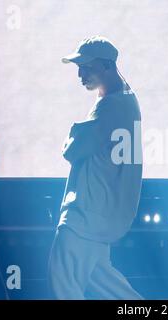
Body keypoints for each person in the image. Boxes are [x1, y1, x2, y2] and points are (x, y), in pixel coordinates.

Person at [48, 36, 144, 300]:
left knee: (64, 287)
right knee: (112, 290)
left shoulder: (110, 105)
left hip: (84, 216)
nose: (80, 74)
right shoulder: (127, 101)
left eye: (85, 67)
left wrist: (74, 131)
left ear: (105, 66)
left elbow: (72, 149)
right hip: (99, 217)